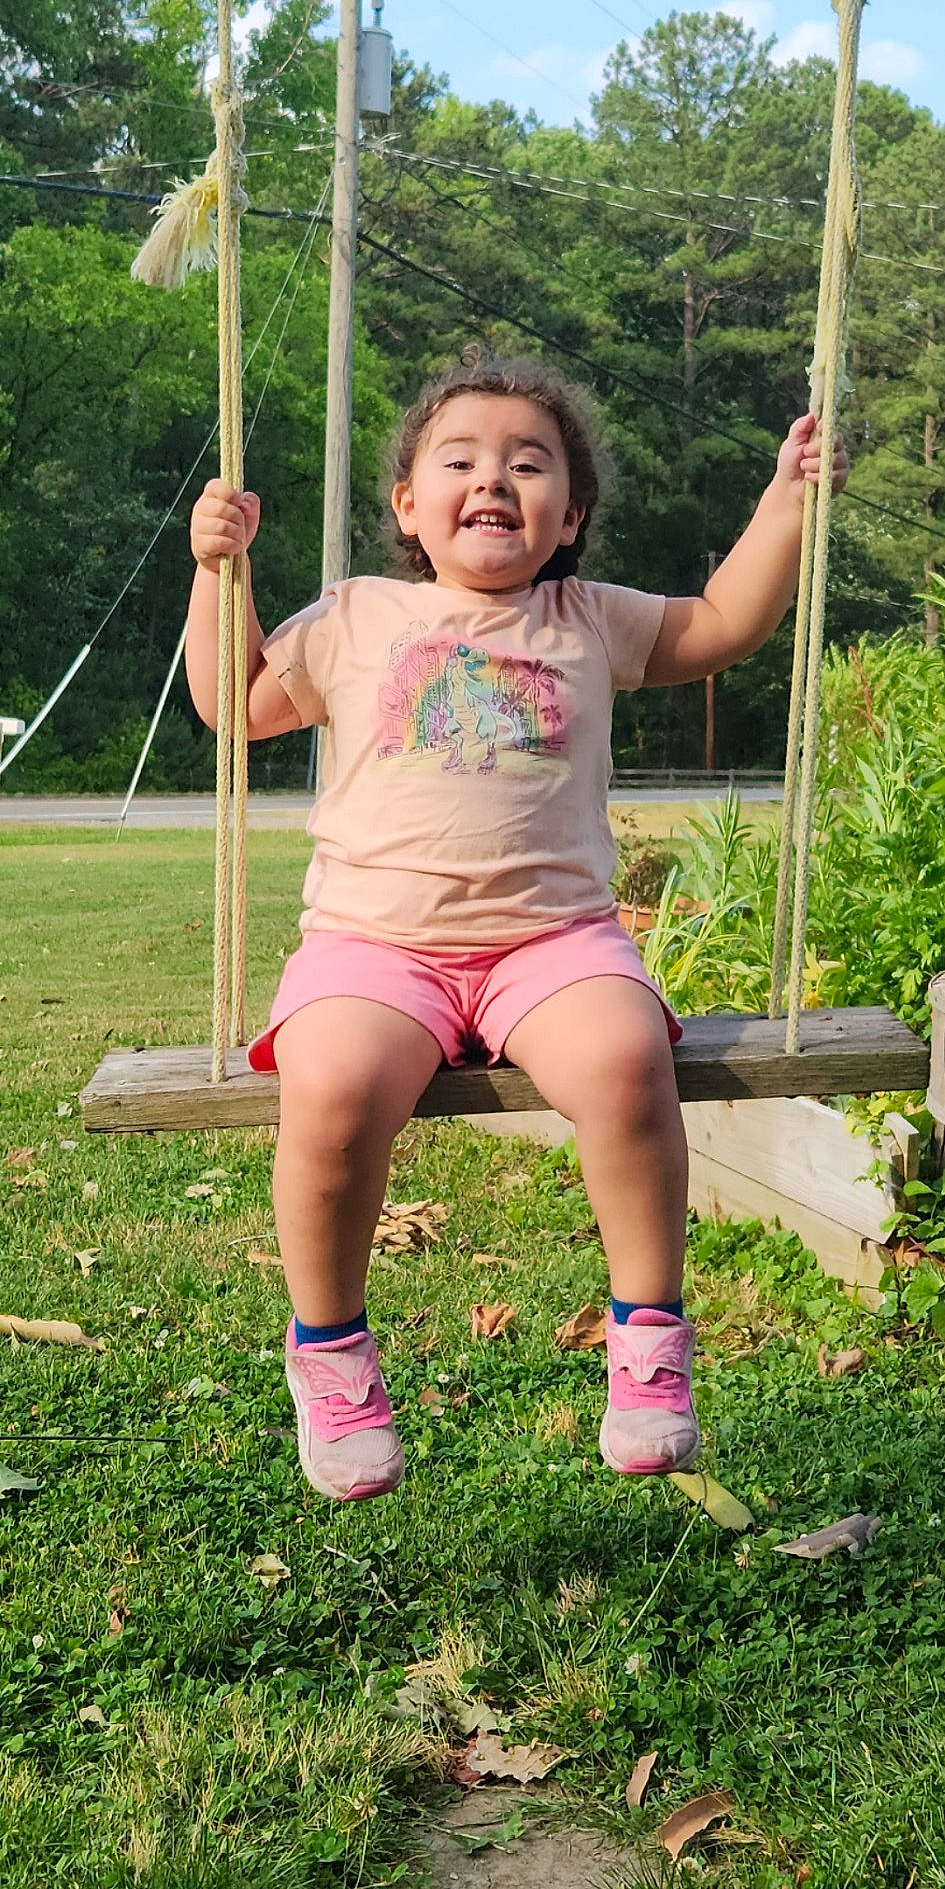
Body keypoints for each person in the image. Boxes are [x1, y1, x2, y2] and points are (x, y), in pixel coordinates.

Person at [186, 351, 847, 1504]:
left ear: (569, 514)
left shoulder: (587, 617)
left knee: (625, 1055)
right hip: (374, 946)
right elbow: (231, 703)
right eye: (462, 458)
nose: (495, 477)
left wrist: (788, 494)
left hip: (553, 941)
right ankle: (332, 1351)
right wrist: (217, 572)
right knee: (332, 1084)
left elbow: (728, 620)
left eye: (529, 463)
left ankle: (647, 1338)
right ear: (407, 506)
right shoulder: (356, 615)